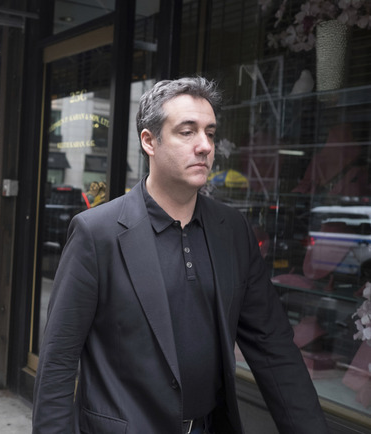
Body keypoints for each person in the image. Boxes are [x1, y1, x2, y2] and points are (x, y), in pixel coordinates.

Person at [32, 77, 329, 434]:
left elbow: (275, 349)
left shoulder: (232, 231)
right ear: (149, 142)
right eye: (187, 132)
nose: (204, 146)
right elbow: (58, 363)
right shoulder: (98, 233)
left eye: (210, 132)